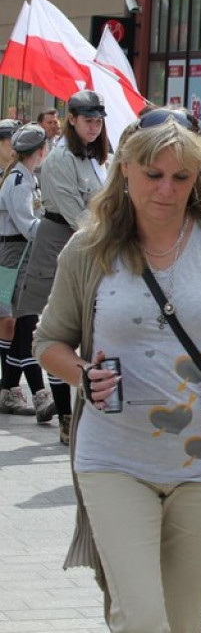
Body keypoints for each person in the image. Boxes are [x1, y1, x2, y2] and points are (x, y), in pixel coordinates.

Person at [33, 108, 201, 633]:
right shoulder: (89, 249)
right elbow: (47, 342)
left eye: (181, 177)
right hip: (113, 461)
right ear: (124, 169)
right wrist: (82, 374)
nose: (167, 190)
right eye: (153, 175)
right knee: (142, 626)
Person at [20, 90, 109, 444]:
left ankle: (86, 412)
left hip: (94, 243)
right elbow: (77, 216)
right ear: (71, 119)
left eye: (99, 121)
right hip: (61, 240)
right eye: (88, 120)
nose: (94, 126)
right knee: (56, 331)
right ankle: (66, 416)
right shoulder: (60, 159)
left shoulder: (97, 156)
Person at [0, 124, 56, 423]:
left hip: (22, 253)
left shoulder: (28, 177)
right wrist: (56, 231)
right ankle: (40, 393)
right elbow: (27, 224)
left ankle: (9, 388)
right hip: (16, 254)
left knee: (25, 323)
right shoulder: (20, 180)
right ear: (41, 151)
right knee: (26, 321)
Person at [0, 118, 24, 415]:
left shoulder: (19, 175)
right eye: (10, 142)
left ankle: (8, 385)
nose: (14, 148)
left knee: (11, 321)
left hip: (12, 252)